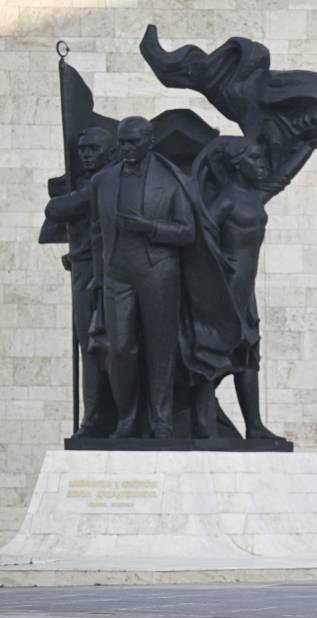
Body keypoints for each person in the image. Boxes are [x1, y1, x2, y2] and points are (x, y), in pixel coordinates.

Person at [89, 116, 196, 438]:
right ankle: (126, 419)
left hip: (158, 271)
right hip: (117, 273)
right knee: (120, 348)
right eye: (122, 142)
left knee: (160, 348)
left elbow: (188, 231)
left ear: (150, 141)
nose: (126, 148)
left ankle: (161, 419)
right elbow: (97, 233)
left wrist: (149, 227)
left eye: (133, 141)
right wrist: (99, 276)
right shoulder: (103, 181)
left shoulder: (172, 179)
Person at [196, 136, 289, 440]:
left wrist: (313, 141)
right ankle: (203, 423)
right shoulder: (225, 199)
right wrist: (220, 263)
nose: (262, 165)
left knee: (248, 355)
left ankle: (255, 426)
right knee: (216, 352)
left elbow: (284, 177)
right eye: (255, 159)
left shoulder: (254, 196)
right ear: (237, 164)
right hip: (227, 288)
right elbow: (200, 235)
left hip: (245, 290)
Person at [44, 127, 117, 437]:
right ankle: (94, 418)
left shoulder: (116, 182)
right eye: (83, 149)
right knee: (90, 345)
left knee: (117, 345)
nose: (86, 155)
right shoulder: (90, 184)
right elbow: (56, 210)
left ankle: (122, 417)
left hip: (118, 273)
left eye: (93, 149)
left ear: (110, 152)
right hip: (85, 271)